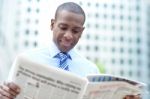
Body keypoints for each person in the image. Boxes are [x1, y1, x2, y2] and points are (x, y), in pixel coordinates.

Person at [0, 2, 141, 99]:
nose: (68, 36)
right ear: (52, 24)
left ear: (82, 32)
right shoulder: (27, 60)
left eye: (75, 31)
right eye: (63, 27)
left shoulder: (91, 69)